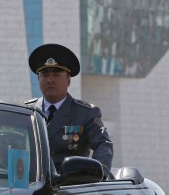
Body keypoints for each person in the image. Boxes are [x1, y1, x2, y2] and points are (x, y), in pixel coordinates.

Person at [25, 43, 113, 176]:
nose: (49, 80)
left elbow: (103, 145)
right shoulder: (27, 111)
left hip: (70, 186)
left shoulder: (86, 113)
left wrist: (98, 174)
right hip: (31, 184)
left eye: (56, 74)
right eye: (44, 74)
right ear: (38, 79)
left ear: (68, 80)